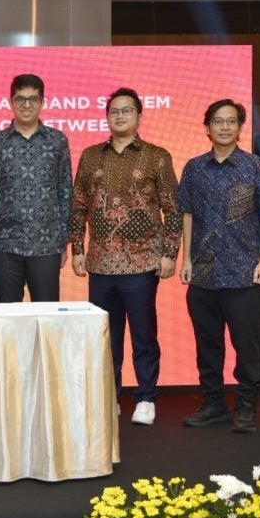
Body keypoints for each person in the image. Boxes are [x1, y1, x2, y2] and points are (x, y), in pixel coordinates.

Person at [68, 88, 182, 426]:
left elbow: (172, 208)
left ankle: (146, 397)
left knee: (144, 334)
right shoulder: (91, 156)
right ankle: (110, 395)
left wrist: (169, 253)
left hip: (143, 262)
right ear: (107, 116)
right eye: (114, 111)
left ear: (139, 116)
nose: (119, 116)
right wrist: (77, 249)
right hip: (100, 263)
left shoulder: (157, 156)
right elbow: (78, 207)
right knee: (106, 335)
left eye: (126, 111)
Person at [178, 99, 260, 434]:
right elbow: (187, 215)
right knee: (208, 346)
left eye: (231, 121)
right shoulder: (194, 168)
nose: (224, 126)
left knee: (246, 348)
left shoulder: (255, 168)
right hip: (203, 275)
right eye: (217, 121)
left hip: (244, 275)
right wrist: (186, 258)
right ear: (207, 127)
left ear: (239, 127)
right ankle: (214, 405)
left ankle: (246, 408)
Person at [0, 73, 72, 302]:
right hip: (4, 243)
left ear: (43, 102)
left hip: (46, 244)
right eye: (20, 99)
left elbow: (65, 191)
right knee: (7, 318)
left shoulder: (57, 141)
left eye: (33, 99)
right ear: (10, 102)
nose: (27, 105)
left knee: (46, 317)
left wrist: (63, 240)